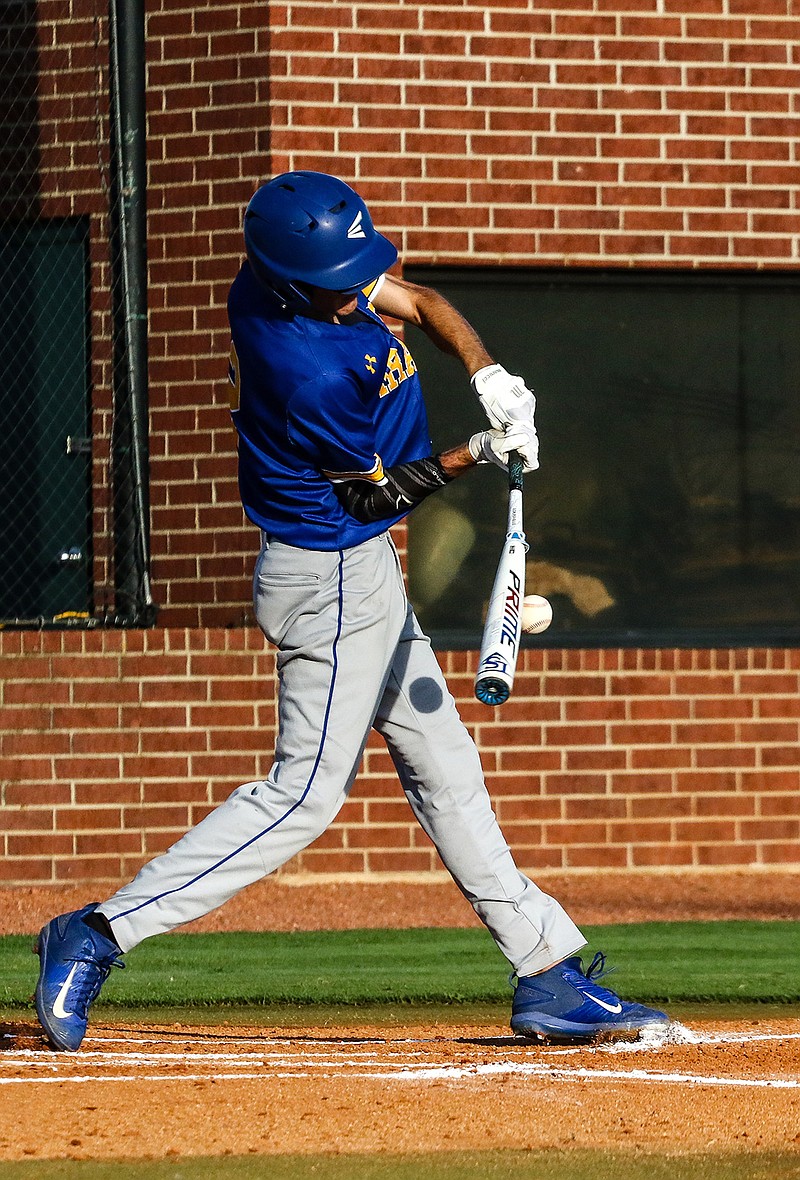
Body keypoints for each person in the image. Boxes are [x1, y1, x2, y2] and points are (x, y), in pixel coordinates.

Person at [34, 171, 669, 1052]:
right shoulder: (306, 371)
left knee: (445, 765)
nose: (363, 290)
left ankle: (548, 972)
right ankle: (97, 932)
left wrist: (489, 374)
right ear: (294, 286)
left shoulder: (287, 273)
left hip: (360, 573)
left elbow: (421, 298)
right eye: (341, 284)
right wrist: (477, 450)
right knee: (301, 794)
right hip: (327, 574)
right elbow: (375, 503)